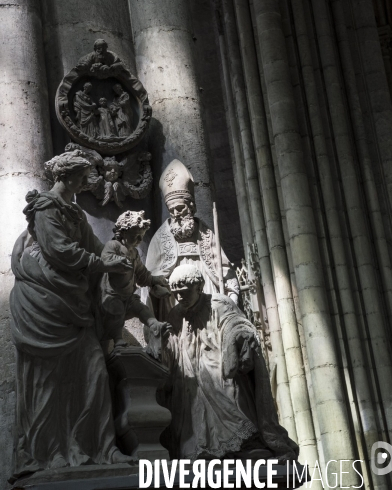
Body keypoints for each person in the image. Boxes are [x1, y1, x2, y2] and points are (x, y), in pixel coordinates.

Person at [9, 151, 135, 482]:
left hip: (74, 307)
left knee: (95, 372)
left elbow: (96, 248)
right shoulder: (46, 208)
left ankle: (100, 448)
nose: (86, 182)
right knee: (48, 384)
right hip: (45, 305)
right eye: (81, 177)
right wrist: (101, 264)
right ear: (67, 177)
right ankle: (50, 452)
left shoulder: (75, 213)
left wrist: (122, 256)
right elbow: (60, 251)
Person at [161, 264, 299, 462]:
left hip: (218, 358)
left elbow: (235, 323)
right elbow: (172, 343)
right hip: (188, 367)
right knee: (191, 392)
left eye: (184, 292)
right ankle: (202, 447)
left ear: (199, 287)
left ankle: (246, 444)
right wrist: (163, 337)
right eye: (176, 294)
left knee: (220, 380)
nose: (179, 298)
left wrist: (237, 336)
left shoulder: (219, 303)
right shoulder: (176, 313)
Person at [146, 159, 240, 318]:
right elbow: (151, 277)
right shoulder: (160, 238)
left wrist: (232, 298)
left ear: (191, 207)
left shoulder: (206, 234)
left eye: (180, 208)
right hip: (174, 298)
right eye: (172, 210)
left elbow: (224, 270)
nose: (176, 214)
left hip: (206, 291)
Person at [99, 210, 171, 348]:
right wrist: (118, 262)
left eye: (142, 237)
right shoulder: (113, 246)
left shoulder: (134, 252)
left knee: (141, 308)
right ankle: (118, 338)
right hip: (112, 294)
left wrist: (155, 280)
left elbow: (142, 274)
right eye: (136, 236)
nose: (139, 240)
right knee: (117, 314)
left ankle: (155, 325)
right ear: (123, 232)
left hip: (129, 295)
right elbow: (104, 260)